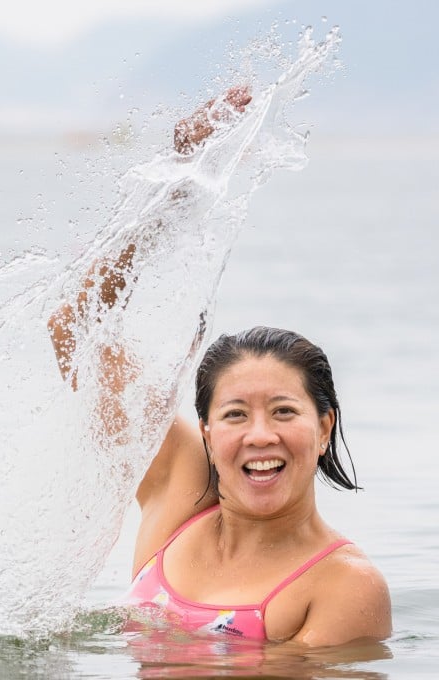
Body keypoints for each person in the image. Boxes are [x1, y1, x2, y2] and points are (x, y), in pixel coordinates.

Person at [49, 87, 391, 647]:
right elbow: (74, 327)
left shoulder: (343, 586)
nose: (261, 435)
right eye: (235, 415)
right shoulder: (179, 488)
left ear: (325, 426)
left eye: (284, 411)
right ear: (206, 430)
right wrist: (180, 187)